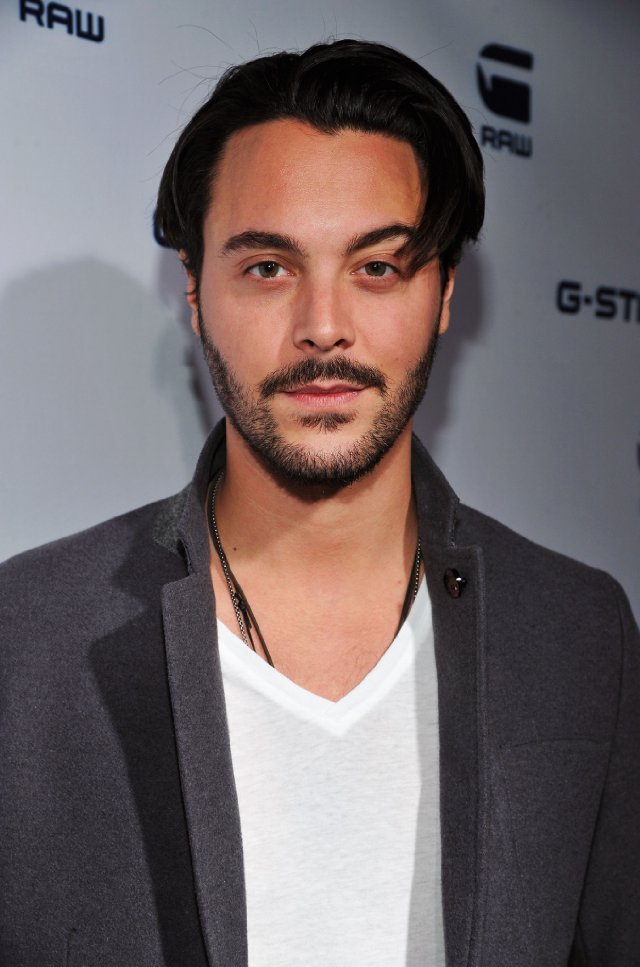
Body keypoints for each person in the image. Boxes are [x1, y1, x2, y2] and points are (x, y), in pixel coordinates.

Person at [0, 39, 638, 967]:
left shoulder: (580, 633)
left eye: (378, 266)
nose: (324, 327)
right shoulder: (25, 638)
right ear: (194, 292)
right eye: (269, 267)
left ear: (445, 293)